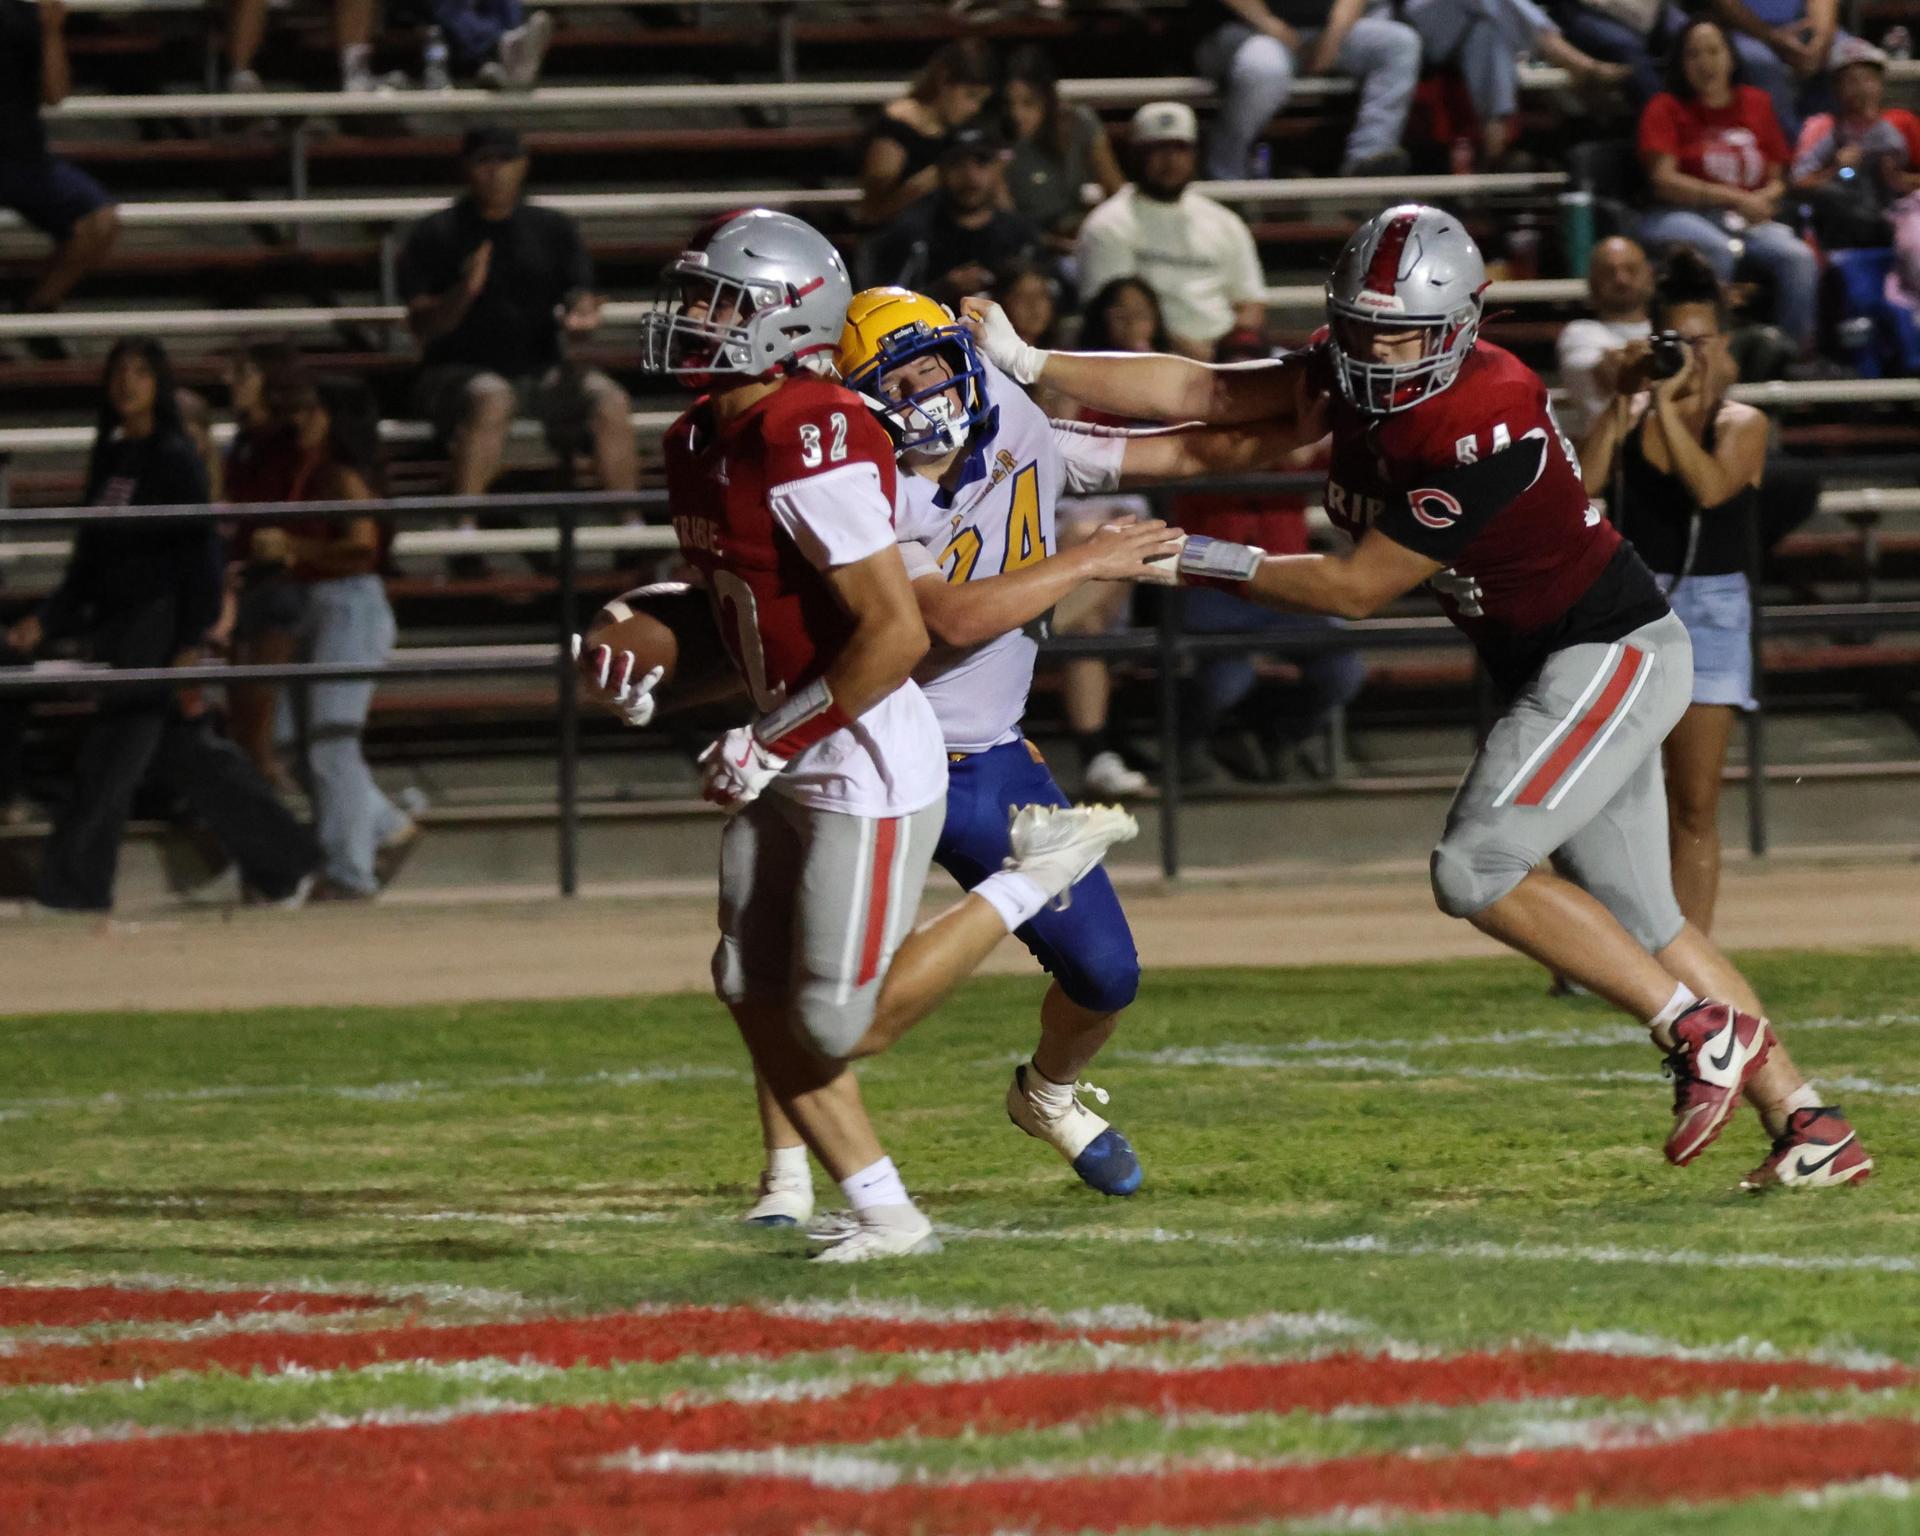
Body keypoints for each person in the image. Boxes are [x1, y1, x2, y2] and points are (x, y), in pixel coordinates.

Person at [961, 203, 1872, 1191]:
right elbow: (1209, 392)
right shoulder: (1366, 380)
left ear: (1458, 326)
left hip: (1609, 651)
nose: (1373, 349)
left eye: (1398, 331)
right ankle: (1808, 1121)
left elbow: (1354, 590)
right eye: (1358, 325)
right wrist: (1030, 360)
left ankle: (1696, 1031)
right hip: (1563, 660)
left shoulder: (1482, 418)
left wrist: (1185, 556)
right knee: (1647, 921)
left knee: (1475, 867)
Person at [587, 210, 1139, 1262]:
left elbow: (890, 630)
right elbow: (745, 614)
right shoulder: (696, 436)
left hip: (860, 755)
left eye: (719, 303)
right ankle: (879, 1209)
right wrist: (637, 650)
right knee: (747, 980)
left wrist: (766, 740)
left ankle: (1030, 877)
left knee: (836, 1021)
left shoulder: (810, 425)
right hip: (799, 740)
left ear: (787, 319)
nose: (692, 319)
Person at [745, 285, 1306, 1226]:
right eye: (897, 378)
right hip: (872, 748)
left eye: (931, 365)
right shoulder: (859, 473)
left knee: (1106, 975)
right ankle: (787, 1175)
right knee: (812, 977)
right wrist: (1087, 559)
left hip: (991, 755)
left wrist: (1330, 411)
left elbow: (1191, 444)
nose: (925, 390)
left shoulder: (1012, 413)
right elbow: (950, 620)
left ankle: (1045, 1095)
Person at [6, 339, 318, 913]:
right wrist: (43, 619)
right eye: (118, 372)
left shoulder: (172, 457)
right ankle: (286, 865)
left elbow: (199, 555)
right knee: (187, 753)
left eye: (140, 373)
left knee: (112, 753)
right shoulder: (113, 458)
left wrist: (190, 639)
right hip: (121, 627)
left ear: (159, 384)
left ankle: (73, 891)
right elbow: (89, 562)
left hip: (158, 627)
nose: (127, 383)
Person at [1577, 251, 1765, 937]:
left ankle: (1695, 955)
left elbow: (1713, 490)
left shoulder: (1741, 421)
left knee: (1694, 803)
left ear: (1722, 346)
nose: (1691, 356)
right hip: (1632, 604)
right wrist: (1623, 402)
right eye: (1675, 343)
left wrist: (1664, 403)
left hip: (1711, 609)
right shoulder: (1629, 413)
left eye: (1703, 342)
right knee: (1607, 792)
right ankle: (1600, 945)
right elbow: (1585, 486)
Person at [398, 126, 637, 559]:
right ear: (466, 168)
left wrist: (582, 313)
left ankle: (631, 526)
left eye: (504, 161)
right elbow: (422, 326)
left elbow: (579, 292)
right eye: (483, 162)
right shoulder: (437, 233)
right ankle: (463, 525)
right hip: (451, 373)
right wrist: (464, 292)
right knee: (493, 396)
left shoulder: (552, 229)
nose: (495, 172)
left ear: (523, 165)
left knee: (609, 398)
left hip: (538, 368)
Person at [256, 370, 421, 901]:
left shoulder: (343, 474)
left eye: (311, 411)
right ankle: (383, 824)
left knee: (331, 746)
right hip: (320, 604)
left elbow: (362, 547)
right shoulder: (315, 468)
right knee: (287, 741)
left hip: (350, 603)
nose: (299, 420)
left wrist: (295, 550)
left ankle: (351, 872)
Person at [1637, 18, 1818, 355]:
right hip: (1682, 214)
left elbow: (1779, 175)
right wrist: (1736, 198)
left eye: (1713, 51)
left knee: (1799, 257)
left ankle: (1790, 355)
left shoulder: (1757, 103)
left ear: (1731, 58)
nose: (1706, 62)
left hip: (1749, 218)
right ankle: (1711, 354)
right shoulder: (1665, 107)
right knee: (1715, 250)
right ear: (1682, 63)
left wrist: (1763, 199)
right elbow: (1663, 180)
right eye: (1694, 54)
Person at [1075, 102, 1268, 361]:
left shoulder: (1225, 222)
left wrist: (1231, 351)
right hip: (1147, 360)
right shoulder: (1107, 224)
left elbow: (1250, 303)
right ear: (1136, 154)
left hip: (1227, 356)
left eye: (1180, 148)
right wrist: (1195, 356)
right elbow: (1118, 317)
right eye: (1158, 150)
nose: (1171, 160)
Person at [1189, 0, 1419, 180]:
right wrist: (1269, 23)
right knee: (1265, 69)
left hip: (1319, 31)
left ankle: (1367, 159)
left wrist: (1334, 36)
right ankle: (1224, 169)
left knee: (1399, 44)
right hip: (1243, 28)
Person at [1399, 0, 1631, 170]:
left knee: (1489, 34)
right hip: (1408, 19)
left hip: (1471, 21)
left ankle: (1494, 146)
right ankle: (1571, 60)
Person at [0, 0, 119, 330]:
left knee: (101, 221)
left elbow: (56, 94)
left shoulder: (26, 14)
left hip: (25, 160)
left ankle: (35, 312)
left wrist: (52, 31)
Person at [221, 340, 307, 791]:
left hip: (278, 582)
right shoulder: (244, 441)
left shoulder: (289, 440)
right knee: (240, 714)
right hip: (246, 581)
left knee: (259, 714)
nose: (230, 383)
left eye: (242, 374)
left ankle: (273, 829)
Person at [860, 121, 1041, 310]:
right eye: (957, 163)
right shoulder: (911, 233)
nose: (970, 176)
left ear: (999, 168)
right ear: (940, 169)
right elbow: (884, 309)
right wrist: (941, 290)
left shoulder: (1020, 235)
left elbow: (1053, 301)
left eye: (982, 162)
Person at [1790, 37, 1920, 249]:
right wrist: (1838, 169)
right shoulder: (1824, 126)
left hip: (1897, 214)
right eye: (1851, 81)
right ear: (1836, 88)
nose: (1861, 88)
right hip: (1842, 221)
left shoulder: (1897, 123)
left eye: (1869, 79)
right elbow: (1798, 183)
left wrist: (1898, 179)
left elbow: (1902, 181)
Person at [858, 38, 997, 225]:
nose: (974, 108)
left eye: (981, 101)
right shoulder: (897, 126)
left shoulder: (966, 130)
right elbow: (872, 211)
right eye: (970, 95)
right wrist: (922, 185)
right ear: (944, 81)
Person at [1000, 45, 1124, 249]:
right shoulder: (998, 138)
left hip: (1076, 235)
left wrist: (1093, 227)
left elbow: (1115, 190)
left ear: (1048, 101)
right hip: (1026, 242)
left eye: (1028, 103)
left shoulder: (1078, 122)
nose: (1017, 115)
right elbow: (1005, 218)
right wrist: (1049, 242)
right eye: (1010, 104)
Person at [1556, 234, 1656, 442]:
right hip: (1610, 453)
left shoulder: (1672, 329)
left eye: (1631, 269)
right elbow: (1613, 377)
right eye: (1608, 272)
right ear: (1592, 282)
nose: (1621, 279)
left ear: (1650, 274)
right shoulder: (1579, 333)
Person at [1704, 0, 1841, 138]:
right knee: (1762, 63)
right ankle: (1791, 143)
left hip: (1804, 26)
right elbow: (1726, 5)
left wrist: (1820, 41)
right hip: (1747, 31)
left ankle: (1837, 137)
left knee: (1845, 51)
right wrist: (1771, 36)